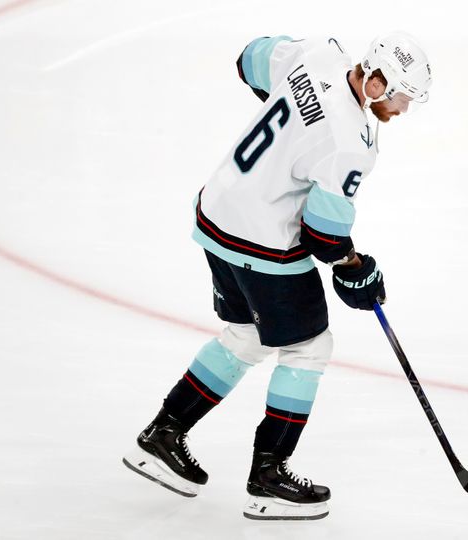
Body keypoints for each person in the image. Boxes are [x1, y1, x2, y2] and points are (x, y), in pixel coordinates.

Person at [122, 32, 432, 521]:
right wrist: (356, 269)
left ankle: (163, 433)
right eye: (400, 97)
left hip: (216, 213)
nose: (403, 110)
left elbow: (249, 59)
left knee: (246, 336)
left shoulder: (318, 55)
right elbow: (324, 238)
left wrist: (295, 117)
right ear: (375, 82)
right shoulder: (352, 144)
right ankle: (269, 476)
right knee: (309, 347)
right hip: (260, 241)